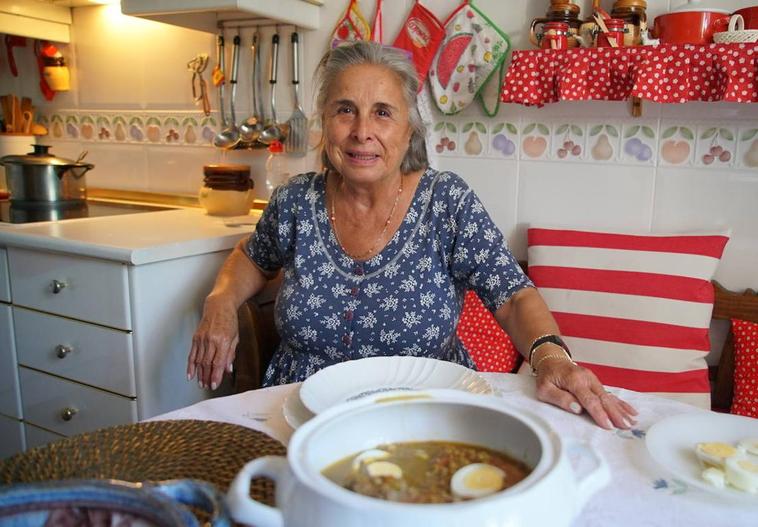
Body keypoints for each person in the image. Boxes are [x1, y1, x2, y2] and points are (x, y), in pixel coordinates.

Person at [187, 41, 637, 430]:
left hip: (424, 412)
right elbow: (252, 256)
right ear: (326, 124)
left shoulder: (446, 202)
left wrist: (552, 358)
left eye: (383, 113)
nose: (362, 131)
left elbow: (514, 295)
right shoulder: (296, 201)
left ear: (409, 131)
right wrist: (221, 301)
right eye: (346, 110)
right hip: (301, 413)